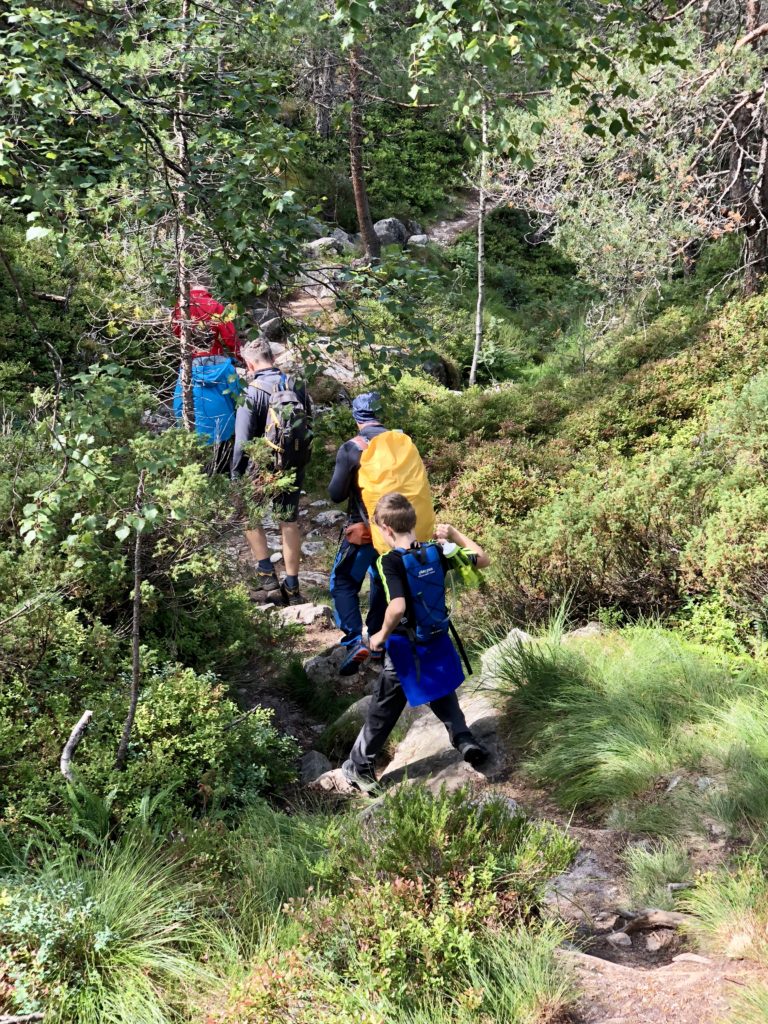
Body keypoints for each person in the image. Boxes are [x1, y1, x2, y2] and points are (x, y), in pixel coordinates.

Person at [342, 492, 490, 794]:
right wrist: (454, 534)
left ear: (386, 528)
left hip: (405, 647)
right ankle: (464, 739)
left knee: (385, 702)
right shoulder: (436, 552)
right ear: (414, 521)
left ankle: (359, 765)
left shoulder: (390, 562)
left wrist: (380, 636)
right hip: (436, 637)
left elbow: (396, 607)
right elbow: (483, 559)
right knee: (441, 687)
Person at [231, 337, 312, 606]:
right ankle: (292, 586)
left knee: (248, 516)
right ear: (273, 359)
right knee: (288, 522)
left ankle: (268, 579)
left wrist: (236, 475)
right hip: (292, 463)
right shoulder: (296, 385)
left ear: (250, 363)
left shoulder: (251, 391)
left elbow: (242, 442)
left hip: (261, 466)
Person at [328, 392, 389, 675]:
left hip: (364, 530)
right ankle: (379, 639)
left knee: (342, 582)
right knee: (383, 582)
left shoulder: (353, 447)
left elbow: (336, 494)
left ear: (356, 418)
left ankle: (354, 641)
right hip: (396, 531)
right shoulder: (400, 442)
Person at [172, 281, 242, 361]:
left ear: (190, 285)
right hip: (214, 356)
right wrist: (241, 357)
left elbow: (177, 332)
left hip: (189, 358)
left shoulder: (180, 306)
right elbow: (229, 336)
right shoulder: (216, 305)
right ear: (209, 286)